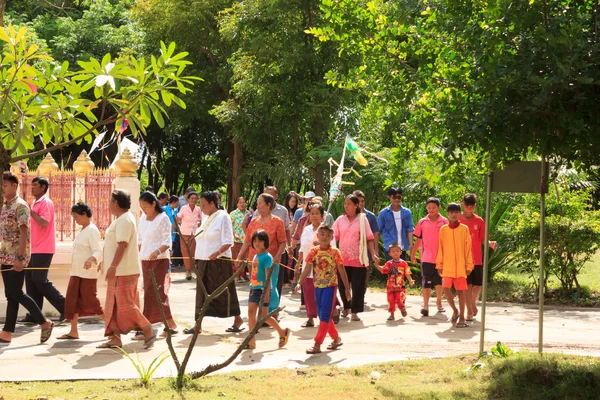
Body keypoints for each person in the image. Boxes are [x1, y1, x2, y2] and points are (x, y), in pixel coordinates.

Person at [0, 172, 54, 344]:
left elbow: (24, 232)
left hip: (17, 256)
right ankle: (7, 332)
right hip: (5, 255)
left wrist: (21, 257)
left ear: (14, 186)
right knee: (11, 295)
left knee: (16, 293)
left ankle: (44, 322)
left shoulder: (20, 206)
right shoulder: (5, 206)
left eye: (6, 185)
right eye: (2, 185)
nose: (3, 188)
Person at [98, 189, 156, 349]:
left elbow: (122, 245)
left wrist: (113, 266)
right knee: (113, 305)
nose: (108, 204)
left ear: (116, 203)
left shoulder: (124, 220)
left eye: (110, 201)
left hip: (123, 271)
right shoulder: (122, 219)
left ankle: (148, 328)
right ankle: (115, 338)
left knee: (126, 305)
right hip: (118, 271)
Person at [184, 191, 243, 335]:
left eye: (204, 205)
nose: (201, 207)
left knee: (224, 291)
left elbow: (228, 241)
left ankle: (237, 319)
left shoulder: (223, 217)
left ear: (212, 204)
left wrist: (217, 253)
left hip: (219, 261)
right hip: (203, 260)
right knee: (202, 292)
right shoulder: (205, 217)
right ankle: (198, 324)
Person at [295, 224, 350, 354]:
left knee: (325, 315)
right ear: (318, 236)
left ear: (331, 237)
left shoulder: (335, 252)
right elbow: (307, 269)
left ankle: (317, 343)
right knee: (322, 315)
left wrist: (347, 289)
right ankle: (336, 338)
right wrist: (299, 283)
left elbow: (342, 271)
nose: (325, 237)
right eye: (322, 234)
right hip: (317, 287)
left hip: (330, 286)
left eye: (328, 235)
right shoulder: (313, 251)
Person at [22, 176, 65, 323]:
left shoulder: (45, 203)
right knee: (30, 281)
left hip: (44, 248)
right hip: (33, 248)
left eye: (35, 185)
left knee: (39, 280)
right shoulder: (35, 203)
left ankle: (65, 306)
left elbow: (44, 223)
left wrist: (30, 212)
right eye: (31, 185)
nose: (32, 187)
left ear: (43, 188)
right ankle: (35, 314)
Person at [59, 203, 104, 340]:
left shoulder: (92, 230)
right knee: (72, 302)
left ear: (84, 215)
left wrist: (91, 259)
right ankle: (73, 331)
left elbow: (98, 250)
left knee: (92, 303)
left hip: (86, 274)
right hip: (76, 273)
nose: (75, 220)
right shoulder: (83, 230)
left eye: (76, 216)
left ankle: (113, 326)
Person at [135, 191, 177, 339]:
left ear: (154, 204)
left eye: (145, 206)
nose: (144, 209)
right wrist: (141, 256)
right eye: (141, 207)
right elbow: (139, 240)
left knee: (158, 292)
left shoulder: (163, 218)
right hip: (145, 260)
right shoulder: (143, 219)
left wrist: (157, 251)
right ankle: (169, 324)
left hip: (159, 260)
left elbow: (167, 241)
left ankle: (147, 327)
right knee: (149, 292)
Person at [238, 193, 287, 318]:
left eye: (260, 203)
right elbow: (248, 241)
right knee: (256, 285)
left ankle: (272, 313)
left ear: (268, 205)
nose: (257, 206)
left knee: (271, 286)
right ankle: (260, 313)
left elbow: (282, 241)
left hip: (271, 261)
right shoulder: (253, 222)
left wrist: (277, 256)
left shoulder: (277, 222)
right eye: (257, 204)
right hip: (254, 261)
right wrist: (239, 256)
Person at [333, 194, 379, 321]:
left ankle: (355, 311)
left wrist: (373, 253)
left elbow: (369, 238)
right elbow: (333, 237)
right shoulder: (340, 220)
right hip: (342, 259)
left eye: (349, 204)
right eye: (345, 204)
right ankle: (346, 306)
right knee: (342, 285)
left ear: (356, 205)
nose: (346, 206)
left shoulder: (363, 220)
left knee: (358, 286)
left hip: (359, 259)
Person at [245, 230, 290, 349]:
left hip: (263, 290)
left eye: (260, 241)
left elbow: (267, 276)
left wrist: (266, 293)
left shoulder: (267, 257)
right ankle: (251, 341)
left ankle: (282, 332)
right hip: (253, 288)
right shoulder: (255, 255)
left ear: (265, 242)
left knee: (263, 316)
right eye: (255, 241)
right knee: (250, 313)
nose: (257, 244)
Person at [296, 204, 335, 328]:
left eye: (317, 213)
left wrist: (321, 243)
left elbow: (333, 248)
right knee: (308, 292)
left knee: (323, 292)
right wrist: (298, 262)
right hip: (308, 264)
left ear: (322, 216)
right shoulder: (307, 229)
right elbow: (302, 248)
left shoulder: (327, 231)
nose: (314, 216)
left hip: (323, 268)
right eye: (312, 213)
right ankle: (310, 318)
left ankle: (326, 318)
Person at [436, 203, 474, 328]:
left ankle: (462, 316)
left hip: (461, 267)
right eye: (451, 212)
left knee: (461, 292)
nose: (453, 214)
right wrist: (439, 264)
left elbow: (468, 248)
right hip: (447, 266)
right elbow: (440, 248)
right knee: (445, 289)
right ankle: (455, 310)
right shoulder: (443, 229)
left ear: (460, 214)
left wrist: (469, 266)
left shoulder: (464, 229)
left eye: (456, 212)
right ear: (447, 214)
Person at [460, 194, 497, 321]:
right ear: (462, 205)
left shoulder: (479, 221)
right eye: (466, 206)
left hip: (476, 258)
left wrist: (490, 243)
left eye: (471, 206)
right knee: (467, 285)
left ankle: (471, 303)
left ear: (475, 206)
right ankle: (469, 312)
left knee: (477, 286)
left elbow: (483, 239)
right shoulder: (457, 219)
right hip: (462, 259)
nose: (469, 209)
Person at [411, 197, 448, 316]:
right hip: (426, 257)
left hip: (441, 258)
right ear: (426, 207)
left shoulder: (444, 222)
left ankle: (439, 302)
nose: (431, 210)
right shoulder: (422, 222)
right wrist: (413, 253)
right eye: (429, 207)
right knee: (426, 282)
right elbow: (418, 239)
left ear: (439, 208)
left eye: (434, 207)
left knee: (439, 282)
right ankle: (425, 306)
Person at [375, 243, 414, 321]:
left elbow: (407, 273)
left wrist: (410, 280)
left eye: (397, 251)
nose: (395, 253)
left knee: (400, 299)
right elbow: (383, 270)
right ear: (389, 254)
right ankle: (391, 314)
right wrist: (377, 265)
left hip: (400, 286)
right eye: (393, 251)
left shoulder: (404, 263)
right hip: (390, 286)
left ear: (401, 252)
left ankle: (402, 308)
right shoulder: (389, 264)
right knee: (391, 300)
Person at [263, 186, 291, 296]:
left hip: (279, 251)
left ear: (276, 196)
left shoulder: (283, 211)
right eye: (265, 195)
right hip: (262, 251)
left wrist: (289, 247)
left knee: (277, 279)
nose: (268, 198)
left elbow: (287, 229)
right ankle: (263, 303)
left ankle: (274, 304)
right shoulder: (258, 211)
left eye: (270, 195)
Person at [377, 187, 414, 260]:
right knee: (391, 270)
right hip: (390, 248)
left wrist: (411, 245)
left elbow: (410, 230)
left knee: (402, 269)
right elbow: (378, 231)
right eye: (394, 197)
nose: (397, 199)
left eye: (399, 197)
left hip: (402, 248)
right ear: (390, 198)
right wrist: (375, 248)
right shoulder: (383, 213)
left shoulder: (407, 212)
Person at [177, 191, 202, 280]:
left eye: (195, 199)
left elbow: (200, 219)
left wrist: (199, 223)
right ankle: (188, 270)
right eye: (192, 198)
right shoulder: (184, 208)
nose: (194, 200)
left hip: (194, 233)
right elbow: (178, 218)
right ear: (188, 199)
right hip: (184, 232)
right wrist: (173, 229)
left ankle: (190, 270)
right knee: (185, 252)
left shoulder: (198, 209)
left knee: (192, 252)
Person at [229, 196, 249, 281]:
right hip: (236, 239)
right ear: (237, 204)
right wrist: (233, 234)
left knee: (246, 258)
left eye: (244, 202)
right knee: (236, 257)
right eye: (240, 202)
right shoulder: (233, 214)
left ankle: (244, 274)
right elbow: (229, 226)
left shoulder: (249, 213)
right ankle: (237, 275)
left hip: (246, 239)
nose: (242, 204)